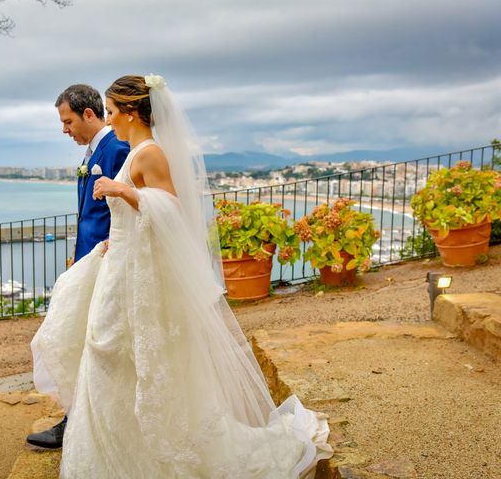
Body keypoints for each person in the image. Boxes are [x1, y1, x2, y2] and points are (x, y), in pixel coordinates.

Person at [31, 75, 332, 477]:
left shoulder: (149, 153)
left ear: (132, 112)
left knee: (115, 354)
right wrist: (113, 236)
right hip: (119, 266)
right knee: (108, 356)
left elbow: (172, 211)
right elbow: (138, 220)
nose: (111, 118)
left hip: (133, 277)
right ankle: (120, 453)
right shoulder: (136, 151)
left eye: (115, 111)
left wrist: (126, 194)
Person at [26, 84, 128, 449]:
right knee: (81, 340)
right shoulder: (93, 151)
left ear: (88, 114)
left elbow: (125, 209)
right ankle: (80, 419)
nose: (64, 129)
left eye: (67, 121)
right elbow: (90, 211)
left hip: (107, 261)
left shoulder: (117, 148)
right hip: (88, 258)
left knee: (91, 342)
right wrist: (77, 251)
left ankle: (80, 423)